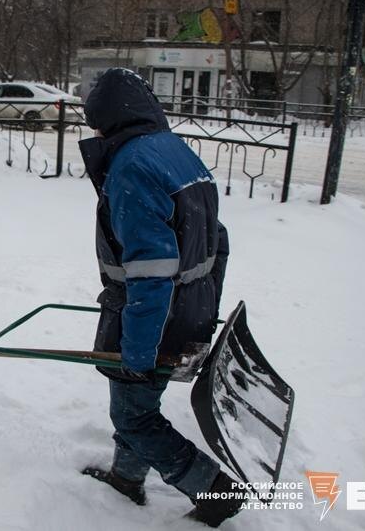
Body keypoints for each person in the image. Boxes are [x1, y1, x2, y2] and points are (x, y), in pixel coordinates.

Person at [78, 68, 241, 528]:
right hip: (187, 309)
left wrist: (139, 351)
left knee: (133, 415)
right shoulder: (176, 152)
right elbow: (218, 242)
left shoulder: (132, 165)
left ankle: (217, 491)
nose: (93, 131)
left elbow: (152, 272)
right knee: (137, 405)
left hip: (156, 315)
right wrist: (204, 309)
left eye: (94, 122)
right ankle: (127, 480)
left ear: (109, 118)